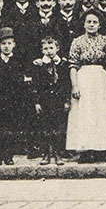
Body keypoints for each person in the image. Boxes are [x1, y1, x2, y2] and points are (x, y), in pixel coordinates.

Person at [66, 11, 106, 163]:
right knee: (85, 113)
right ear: (84, 24)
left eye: (95, 22)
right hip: (83, 78)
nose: (92, 25)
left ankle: (103, 149)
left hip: (101, 78)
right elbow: (73, 65)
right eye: (89, 22)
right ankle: (86, 150)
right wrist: (75, 85)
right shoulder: (77, 41)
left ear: (100, 25)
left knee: (102, 113)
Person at [0, 27, 32, 172]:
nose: (7, 46)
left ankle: (9, 155)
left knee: (11, 127)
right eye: (4, 44)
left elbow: (22, 81)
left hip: (13, 100)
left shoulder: (18, 61)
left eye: (9, 43)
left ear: (14, 44)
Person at [33, 36, 71, 166]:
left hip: (58, 100)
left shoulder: (62, 64)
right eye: (45, 49)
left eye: (51, 48)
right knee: (45, 128)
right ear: (42, 50)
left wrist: (66, 100)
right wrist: (37, 102)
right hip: (45, 101)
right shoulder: (39, 65)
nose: (49, 51)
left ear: (57, 48)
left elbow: (66, 83)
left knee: (59, 127)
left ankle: (58, 154)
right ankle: (45, 154)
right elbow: (36, 85)